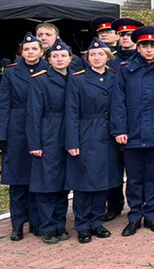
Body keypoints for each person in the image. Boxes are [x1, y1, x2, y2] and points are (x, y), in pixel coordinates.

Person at [111, 26, 154, 236]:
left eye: (152, 45)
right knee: (133, 178)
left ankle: (151, 215)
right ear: (138, 47)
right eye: (144, 45)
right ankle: (134, 216)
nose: (149, 49)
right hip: (132, 133)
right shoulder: (126, 69)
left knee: (151, 177)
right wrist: (120, 130)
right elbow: (118, 102)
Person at [65, 39, 122, 243]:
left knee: (103, 181)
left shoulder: (115, 77)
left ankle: (97, 222)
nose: (97, 58)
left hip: (108, 135)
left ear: (108, 56)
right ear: (87, 58)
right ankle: (82, 225)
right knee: (84, 182)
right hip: (86, 133)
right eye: (92, 55)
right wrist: (72, 142)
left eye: (101, 54)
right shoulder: (77, 79)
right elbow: (71, 113)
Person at [0, 32, 47, 241]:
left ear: (42, 52)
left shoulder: (48, 70)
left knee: (37, 178)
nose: (30, 52)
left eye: (34, 49)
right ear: (21, 52)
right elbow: (3, 104)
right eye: (26, 49)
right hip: (17, 130)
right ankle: (17, 224)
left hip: (41, 129)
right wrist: (3, 135)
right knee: (18, 180)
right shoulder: (10, 73)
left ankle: (37, 222)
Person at [27, 39, 72, 244]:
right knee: (47, 183)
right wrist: (35, 143)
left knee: (63, 183)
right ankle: (47, 226)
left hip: (69, 133)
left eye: (63, 56)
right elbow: (33, 114)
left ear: (70, 59)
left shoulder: (75, 78)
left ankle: (60, 224)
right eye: (55, 56)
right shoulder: (40, 80)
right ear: (49, 59)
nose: (59, 59)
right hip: (48, 134)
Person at [104, 18, 142, 222]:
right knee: (113, 166)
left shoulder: (144, 56)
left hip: (136, 121)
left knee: (135, 170)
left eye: (130, 35)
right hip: (110, 119)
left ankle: (137, 205)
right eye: (122, 35)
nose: (126, 38)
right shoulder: (109, 59)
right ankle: (114, 204)